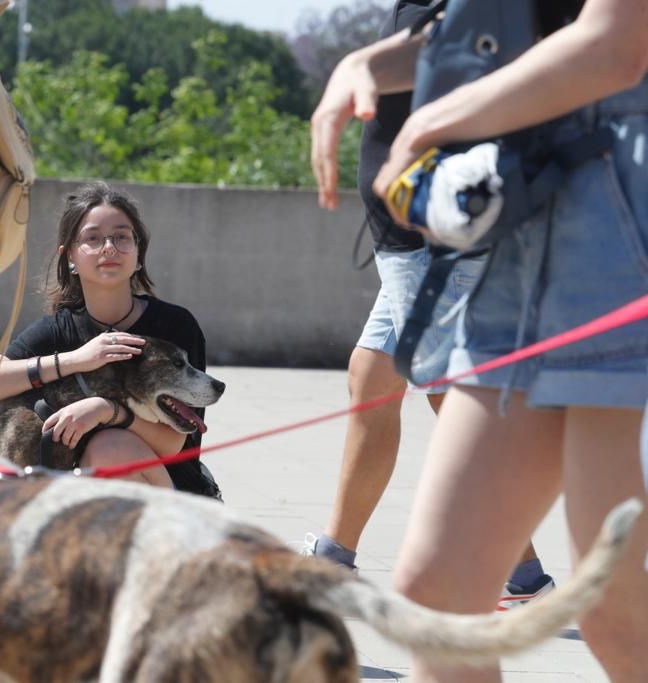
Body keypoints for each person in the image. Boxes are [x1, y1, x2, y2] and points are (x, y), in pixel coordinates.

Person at [312, 0, 648, 680]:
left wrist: (428, 124)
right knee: (438, 596)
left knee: (615, 608)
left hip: (605, 231)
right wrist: (366, 63)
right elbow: (495, 30)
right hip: (508, 239)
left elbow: (616, 44)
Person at [302, 0, 554, 612]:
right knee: (374, 378)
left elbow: (463, 51)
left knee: (448, 386)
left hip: (432, 228)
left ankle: (504, 563)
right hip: (410, 230)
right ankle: (337, 554)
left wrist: (359, 69)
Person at [0, 181, 222, 498]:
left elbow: (175, 444)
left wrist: (106, 410)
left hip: (171, 489)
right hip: (85, 493)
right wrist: (77, 359)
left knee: (110, 446)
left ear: (139, 252)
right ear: (70, 255)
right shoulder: (59, 330)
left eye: (121, 236)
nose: (109, 247)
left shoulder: (175, 325)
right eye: (93, 238)